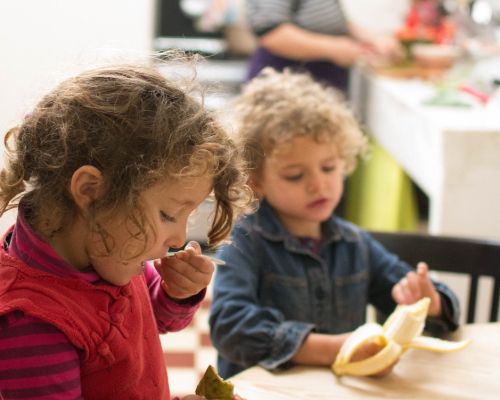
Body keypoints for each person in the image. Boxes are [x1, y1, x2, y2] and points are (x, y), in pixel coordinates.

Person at [0, 56, 252, 399]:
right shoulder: (32, 325)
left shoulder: (107, 249)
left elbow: (156, 320)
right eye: (168, 214)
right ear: (90, 191)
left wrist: (176, 293)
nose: (179, 239)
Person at [208, 68, 460, 379]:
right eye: (295, 175)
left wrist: (430, 301)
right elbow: (231, 328)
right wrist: (334, 348)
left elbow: (429, 306)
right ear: (255, 180)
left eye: (328, 167)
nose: (319, 185)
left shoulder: (355, 243)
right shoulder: (245, 241)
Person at [244, 0, 405, 92]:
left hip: (316, 80)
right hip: (286, 82)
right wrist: (336, 49)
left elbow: (327, 20)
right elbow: (272, 33)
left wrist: (373, 38)